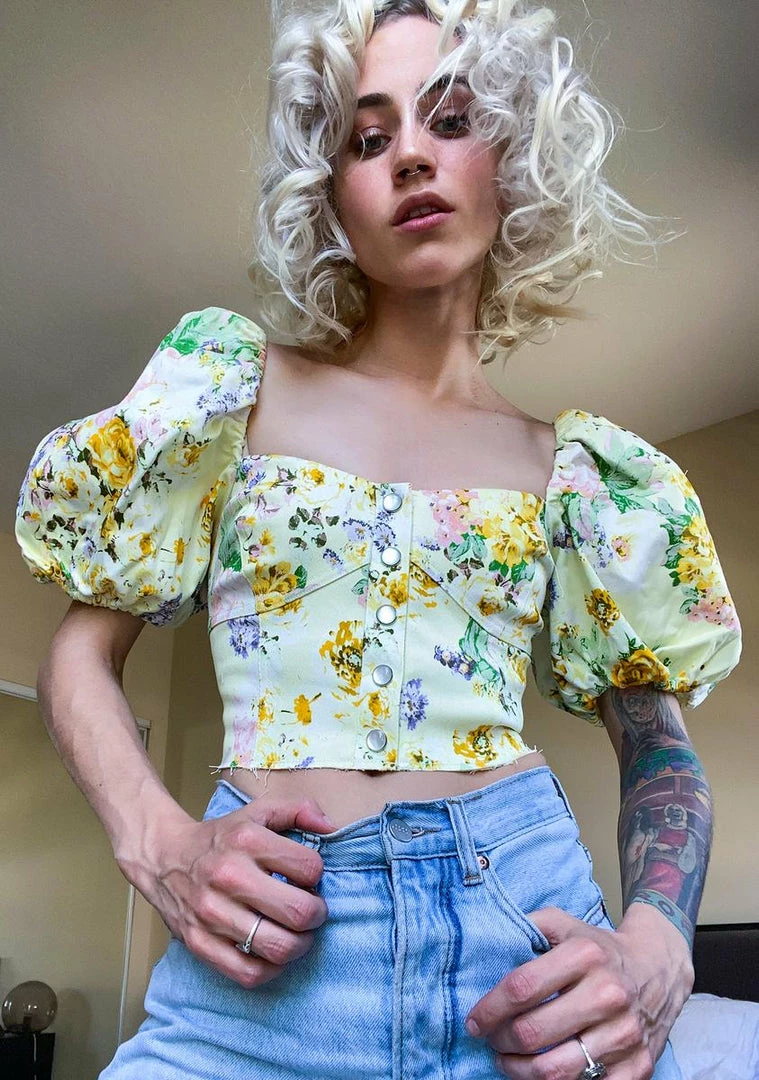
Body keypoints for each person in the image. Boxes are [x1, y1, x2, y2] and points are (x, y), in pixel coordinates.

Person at [15, 1, 742, 1078]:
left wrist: (659, 944)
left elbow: (660, 748)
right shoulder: (229, 393)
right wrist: (156, 840)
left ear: (512, 163)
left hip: (520, 956)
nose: (408, 154)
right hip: (258, 983)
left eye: (450, 119)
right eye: (367, 137)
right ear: (331, 193)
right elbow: (79, 656)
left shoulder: (580, 472)